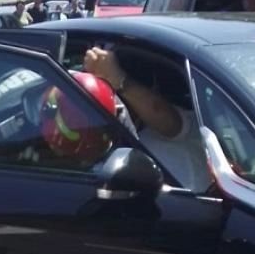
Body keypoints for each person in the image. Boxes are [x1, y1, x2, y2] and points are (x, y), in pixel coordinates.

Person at [84, 47, 210, 192]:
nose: (114, 98)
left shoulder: (187, 122)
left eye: (116, 92)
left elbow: (166, 120)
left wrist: (119, 79)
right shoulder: (105, 131)